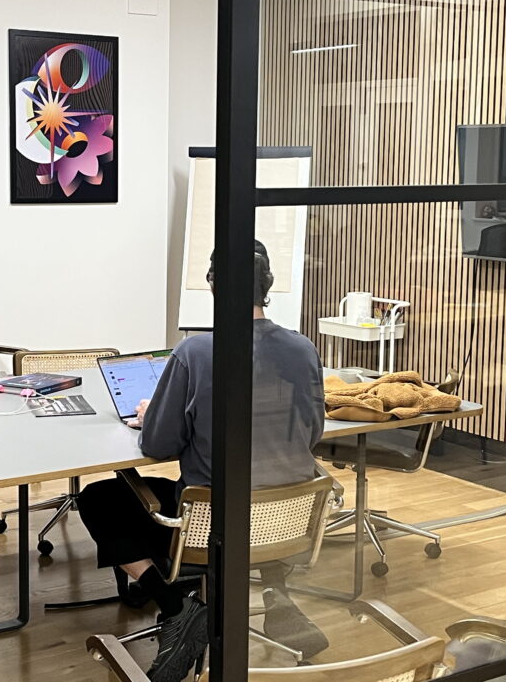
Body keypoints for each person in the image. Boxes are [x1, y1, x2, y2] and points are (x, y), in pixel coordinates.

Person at [78, 240, 329, 682]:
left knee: (99, 497)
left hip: (210, 528)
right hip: (287, 523)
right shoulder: (302, 348)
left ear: (213, 286)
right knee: (263, 478)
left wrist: (150, 413)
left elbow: (158, 443)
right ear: (267, 287)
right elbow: (313, 432)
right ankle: (276, 594)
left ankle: (176, 609)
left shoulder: (196, 352)